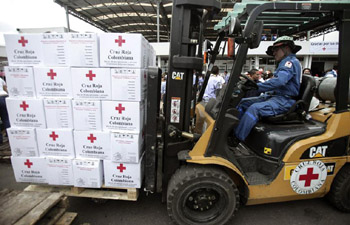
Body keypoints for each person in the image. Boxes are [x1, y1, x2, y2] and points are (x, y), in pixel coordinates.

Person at [233, 36, 302, 144]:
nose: (274, 53)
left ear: (286, 48)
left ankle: (236, 139)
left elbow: (279, 81)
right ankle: (236, 131)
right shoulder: (285, 62)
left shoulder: (290, 62)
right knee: (242, 103)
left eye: (276, 50)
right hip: (275, 97)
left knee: (254, 108)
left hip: (284, 100)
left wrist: (257, 87)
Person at [0, 76, 10, 144]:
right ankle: (10, 136)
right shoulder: (0, 79)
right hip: (4, 96)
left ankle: (0, 140)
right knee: (6, 118)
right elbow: (5, 88)